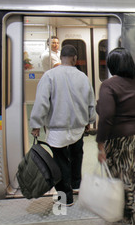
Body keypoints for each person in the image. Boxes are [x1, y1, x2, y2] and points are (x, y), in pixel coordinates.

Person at [30, 45, 96, 206]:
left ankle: (65, 198)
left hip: (57, 129)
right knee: (76, 156)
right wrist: (89, 120)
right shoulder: (82, 77)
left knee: (60, 161)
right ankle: (76, 185)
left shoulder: (49, 76)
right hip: (78, 128)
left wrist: (36, 124)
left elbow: (42, 103)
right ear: (74, 58)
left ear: (61, 57)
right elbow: (90, 103)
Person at [96, 47, 135, 225]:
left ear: (112, 65)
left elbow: (106, 116)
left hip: (118, 138)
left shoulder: (108, 85)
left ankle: (126, 217)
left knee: (117, 178)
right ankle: (127, 212)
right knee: (130, 176)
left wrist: (100, 143)